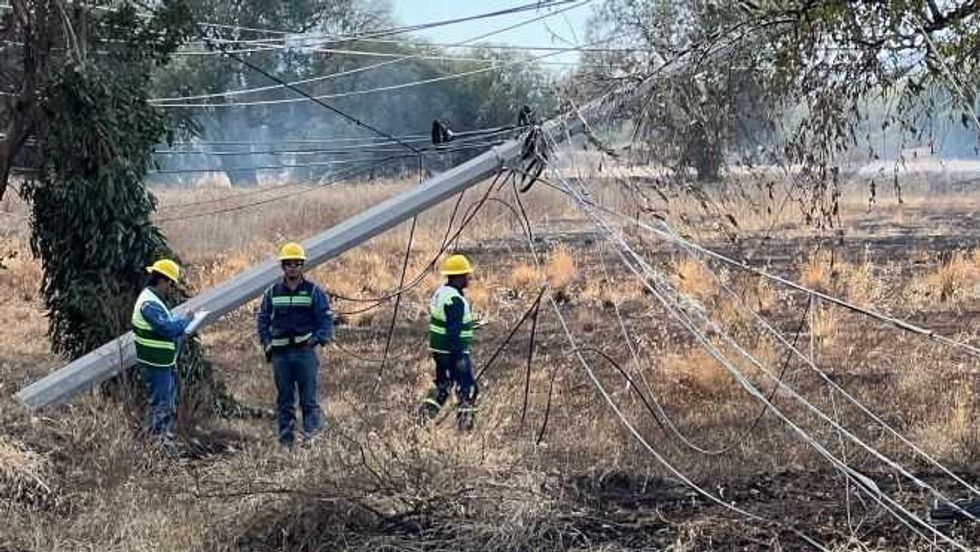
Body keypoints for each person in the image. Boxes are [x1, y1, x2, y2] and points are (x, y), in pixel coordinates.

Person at [256, 242, 333, 447]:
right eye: (289, 263)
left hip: (304, 353)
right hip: (281, 355)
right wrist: (266, 343)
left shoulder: (313, 292)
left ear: (302, 266)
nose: (292, 267)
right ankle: (286, 444)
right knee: (285, 402)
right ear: (283, 266)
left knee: (308, 401)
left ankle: (312, 440)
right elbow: (262, 319)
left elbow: (325, 319)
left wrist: (317, 339)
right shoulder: (272, 293)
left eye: (297, 263)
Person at [131, 259, 193, 442]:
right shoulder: (149, 305)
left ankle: (159, 440)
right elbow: (167, 329)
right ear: (163, 281)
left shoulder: (153, 300)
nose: (171, 289)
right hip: (155, 364)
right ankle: (157, 443)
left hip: (160, 362)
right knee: (161, 405)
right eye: (171, 284)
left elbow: (167, 325)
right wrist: (187, 321)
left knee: (163, 403)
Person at [420, 254, 478, 430]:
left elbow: (445, 322)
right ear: (458, 277)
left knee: (443, 387)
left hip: (440, 352)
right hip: (454, 352)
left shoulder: (441, 293)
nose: (469, 278)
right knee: (467, 389)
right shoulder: (455, 301)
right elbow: (453, 331)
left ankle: (422, 418)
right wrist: (459, 358)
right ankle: (465, 427)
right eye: (466, 275)